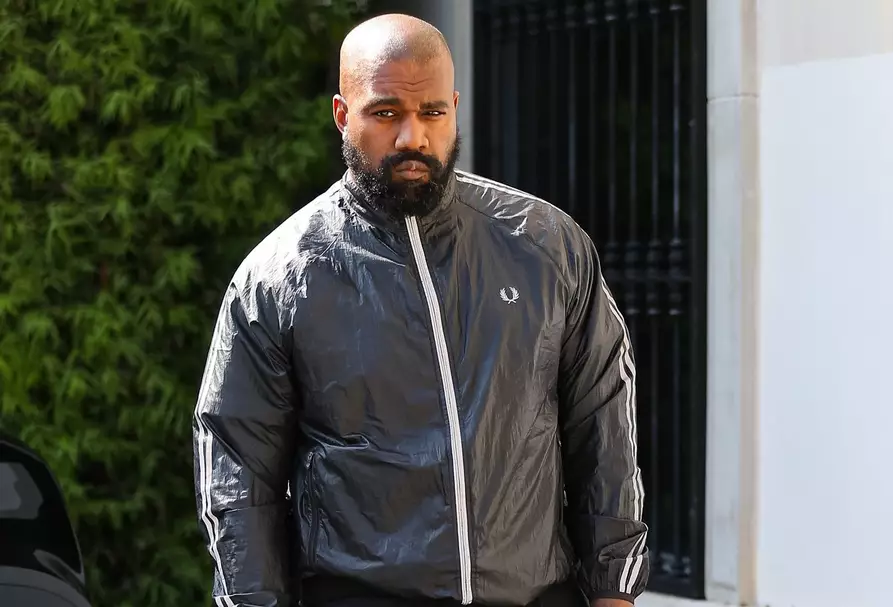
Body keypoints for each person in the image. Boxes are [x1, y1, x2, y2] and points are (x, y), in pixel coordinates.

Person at [192, 13, 647, 607]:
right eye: (386, 113)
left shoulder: (546, 245)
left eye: (432, 112)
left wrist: (614, 589)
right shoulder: (279, 277)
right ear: (342, 114)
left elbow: (604, 424)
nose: (414, 137)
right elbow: (237, 472)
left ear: (454, 107)